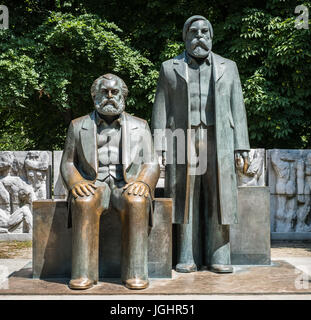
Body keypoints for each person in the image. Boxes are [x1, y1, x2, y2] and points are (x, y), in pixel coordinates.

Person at [152, 15, 250, 273]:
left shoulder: (229, 67)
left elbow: (237, 108)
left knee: (220, 197)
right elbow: (160, 107)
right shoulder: (168, 67)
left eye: (204, 32)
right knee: (184, 197)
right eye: (193, 32)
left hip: (219, 137)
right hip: (181, 138)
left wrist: (242, 146)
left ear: (211, 36)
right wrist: (158, 145)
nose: (199, 36)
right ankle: (186, 256)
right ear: (185, 37)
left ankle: (219, 255)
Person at [60, 73, 159, 290]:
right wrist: (76, 183)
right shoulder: (78, 126)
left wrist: (143, 183)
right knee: (84, 202)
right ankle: (83, 273)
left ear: (123, 96)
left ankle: (135, 273)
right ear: (94, 95)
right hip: (93, 183)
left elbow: (151, 163)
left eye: (115, 92)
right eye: (104, 92)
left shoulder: (140, 126)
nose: (110, 96)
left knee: (137, 202)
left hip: (126, 183)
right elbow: (68, 163)